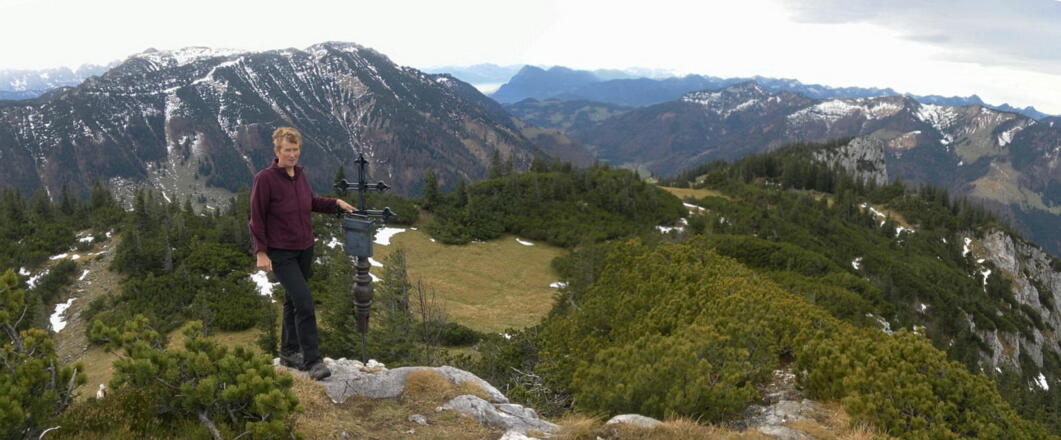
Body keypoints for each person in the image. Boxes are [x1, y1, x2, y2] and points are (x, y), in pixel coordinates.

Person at [248, 126, 355, 380]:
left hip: (304, 248)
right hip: (281, 252)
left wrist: (335, 204)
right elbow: (256, 218)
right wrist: (261, 252)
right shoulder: (265, 179)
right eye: (287, 150)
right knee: (304, 302)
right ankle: (313, 360)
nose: (292, 155)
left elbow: (311, 202)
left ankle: (288, 351)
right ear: (277, 151)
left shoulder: (300, 176)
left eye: (296, 150)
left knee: (292, 301)